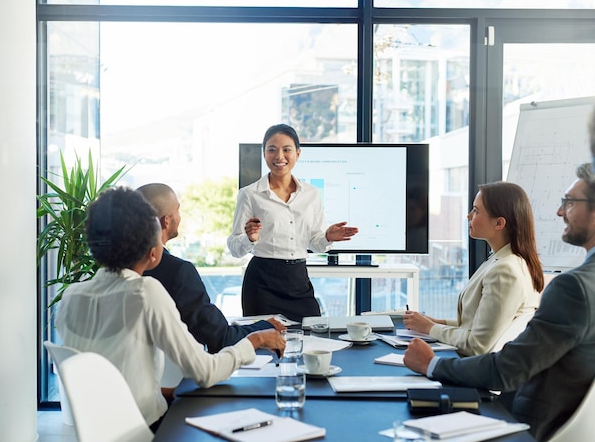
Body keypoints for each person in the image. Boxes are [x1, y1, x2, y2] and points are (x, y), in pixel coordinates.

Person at [55, 187, 285, 431]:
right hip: (146, 431)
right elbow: (205, 372)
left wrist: (165, 391)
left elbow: (110, 381)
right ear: (152, 252)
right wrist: (256, 340)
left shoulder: (71, 297)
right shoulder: (145, 292)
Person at [403, 163, 595, 441]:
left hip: (529, 423)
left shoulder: (573, 286)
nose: (559, 211)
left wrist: (431, 365)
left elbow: (507, 369)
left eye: (569, 202)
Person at [227, 124, 359, 322]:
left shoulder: (311, 194)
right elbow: (235, 248)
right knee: (265, 345)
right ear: (264, 154)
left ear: (298, 153)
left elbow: (314, 242)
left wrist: (327, 237)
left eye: (286, 149)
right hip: (262, 283)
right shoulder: (249, 194)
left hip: (298, 280)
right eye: (272, 149)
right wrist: (249, 238)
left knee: (312, 337)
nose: (279, 156)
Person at [137, 183, 285, 354]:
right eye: (178, 210)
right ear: (166, 221)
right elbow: (221, 338)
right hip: (181, 378)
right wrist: (267, 326)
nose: (180, 216)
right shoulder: (178, 271)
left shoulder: (114, 270)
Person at [403, 181, 543, 356]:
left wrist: (430, 328)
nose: (469, 216)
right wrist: (436, 322)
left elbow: (477, 345)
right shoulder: (503, 259)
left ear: (499, 223)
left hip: (472, 370)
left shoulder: (504, 271)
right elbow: (478, 325)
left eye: (476, 211)